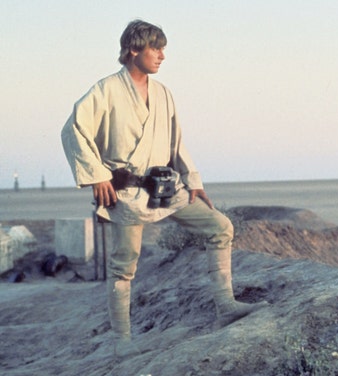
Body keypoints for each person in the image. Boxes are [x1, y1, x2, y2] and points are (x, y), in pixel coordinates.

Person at [61, 20, 265, 357]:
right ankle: (121, 341)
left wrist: (193, 181)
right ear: (133, 49)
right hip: (125, 193)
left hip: (165, 189)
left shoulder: (163, 94)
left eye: (162, 48)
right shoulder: (106, 90)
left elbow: (177, 143)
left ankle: (225, 307)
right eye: (156, 48)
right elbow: (73, 130)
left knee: (220, 227)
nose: (162, 56)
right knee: (124, 264)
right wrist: (97, 176)